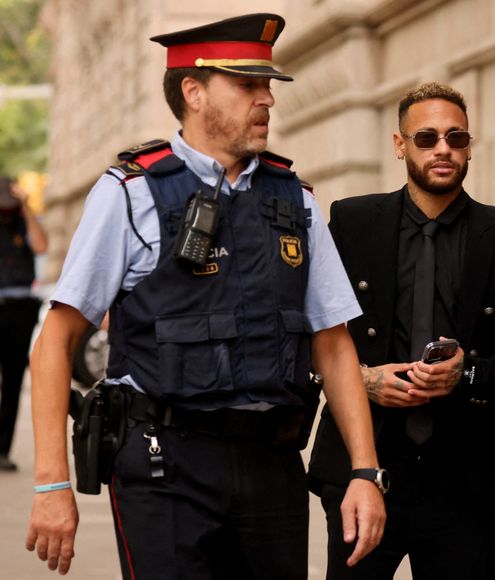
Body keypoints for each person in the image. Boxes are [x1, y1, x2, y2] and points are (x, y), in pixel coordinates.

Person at [24, 13, 385, 579]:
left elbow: (334, 345)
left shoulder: (296, 201)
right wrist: (52, 483)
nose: (266, 99)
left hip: (273, 463)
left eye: (267, 85)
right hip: (165, 466)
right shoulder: (131, 194)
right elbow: (55, 340)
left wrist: (366, 474)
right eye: (247, 85)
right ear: (193, 91)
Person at [308, 81, 495, 579]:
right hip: (366, 464)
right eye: (426, 138)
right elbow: (313, 336)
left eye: (456, 137)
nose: (443, 148)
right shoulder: (352, 222)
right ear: (400, 145)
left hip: (462, 476)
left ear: (469, 146)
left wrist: (468, 375)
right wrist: (365, 380)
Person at [0, 176, 47, 471]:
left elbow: (41, 245)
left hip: (20, 310)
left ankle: (2, 450)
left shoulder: (24, 222)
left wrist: (27, 208)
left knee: (14, 381)